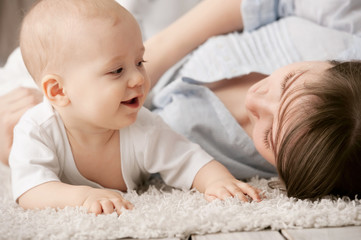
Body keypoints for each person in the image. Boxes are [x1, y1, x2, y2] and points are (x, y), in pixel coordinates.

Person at [9, 0, 261, 215]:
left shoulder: (144, 127)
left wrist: (218, 180)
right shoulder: (36, 129)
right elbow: (30, 189)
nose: (139, 78)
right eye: (117, 70)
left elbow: (187, 158)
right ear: (58, 91)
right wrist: (82, 198)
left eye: (140, 61)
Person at [143, 0, 361, 199]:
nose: (254, 100)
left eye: (268, 136)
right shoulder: (342, 30)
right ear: (334, 63)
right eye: (287, 83)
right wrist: (153, 54)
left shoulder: (218, 156)